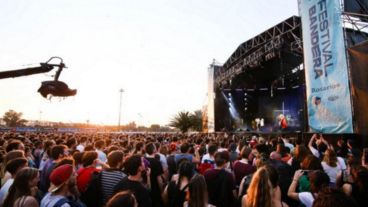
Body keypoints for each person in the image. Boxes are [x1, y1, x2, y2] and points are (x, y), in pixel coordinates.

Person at [144, 142, 164, 207]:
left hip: (144, 187)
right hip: (155, 188)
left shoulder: (143, 160)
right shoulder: (157, 162)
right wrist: (162, 190)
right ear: (154, 150)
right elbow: (159, 179)